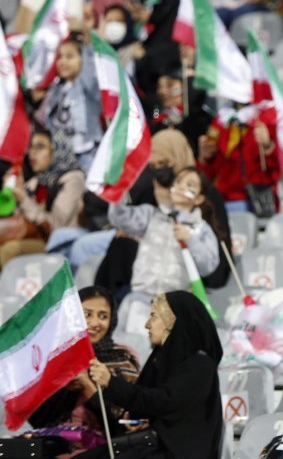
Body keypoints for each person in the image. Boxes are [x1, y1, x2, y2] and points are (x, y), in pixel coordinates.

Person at [85, 291, 224, 459]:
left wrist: (110, 382)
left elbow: (163, 401)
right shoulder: (164, 359)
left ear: (173, 321)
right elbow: (156, 402)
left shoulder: (199, 364)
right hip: (154, 445)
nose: (147, 324)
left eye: (154, 317)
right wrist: (141, 417)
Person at [29, 286, 141, 447]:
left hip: (103, 447)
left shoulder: (123, 357)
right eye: (86, 314)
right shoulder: (56, 355)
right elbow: (38, 419)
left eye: (103, 316)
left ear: (111, 322)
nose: (94, 323)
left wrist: (87, 385)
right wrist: (63, 384)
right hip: (55, 443)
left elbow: (123, 423)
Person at [108, 167, 222, 297]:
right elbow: (119, 217)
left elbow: (208, 267)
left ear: (199, 199)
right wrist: (118, 190)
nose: (181, 187)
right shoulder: (152, 215)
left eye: (189, 185)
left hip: (175, 302)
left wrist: (190, 240)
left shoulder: (201, 228)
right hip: (141, 296)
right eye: (178, 182)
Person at [0, 130, 86, 265]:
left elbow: (56, 226)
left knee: (9, 250)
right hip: (34, 236)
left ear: (57, 149)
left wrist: (23, 199)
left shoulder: (72, 180)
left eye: (40, 147)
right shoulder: (37, 180)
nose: (32, 152)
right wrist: (11, 192)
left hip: (58, 244)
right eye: (31, 147)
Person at [133, 0, 192, 98]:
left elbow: (169, 39)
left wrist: (144, 53)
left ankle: (157, 117)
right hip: (147, 63)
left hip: (163, 74)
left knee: (156, 109)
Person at [198, 104, 280, 214]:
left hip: (256, 199)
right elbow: (210, 171)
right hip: (223, 198)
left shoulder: (269, 116)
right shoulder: (222, 119)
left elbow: (278, 170)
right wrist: (204, 157)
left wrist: (268, 146)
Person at [43, 33, 102, 171]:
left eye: (69, 56)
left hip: (86, 153)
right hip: (61, 155)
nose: (62, 61)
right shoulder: (56, 88)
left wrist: (88, 44)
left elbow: (89, 72)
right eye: (60, 56)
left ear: (83, 60)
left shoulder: (88, 88)